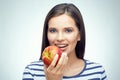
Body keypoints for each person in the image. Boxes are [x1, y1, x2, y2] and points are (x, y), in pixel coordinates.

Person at [22, 3, 107, 80]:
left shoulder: (97, 72)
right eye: (53, 31)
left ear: (79, 35)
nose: (60, 38)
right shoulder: (32, 71)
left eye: (68, 30)